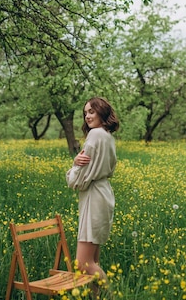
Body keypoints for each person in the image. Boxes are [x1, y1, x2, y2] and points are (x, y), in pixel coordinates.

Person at [66, 97, 119, 293]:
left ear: (102, 112)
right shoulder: (107, 136)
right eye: (85, 113)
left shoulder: (95, 135)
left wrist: (73, 165)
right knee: (93, 260)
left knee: (83, 263)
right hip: (103, 193)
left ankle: (110, 297)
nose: (87, 116)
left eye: (92, 111)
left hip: (94, 196)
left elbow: (76, 180)